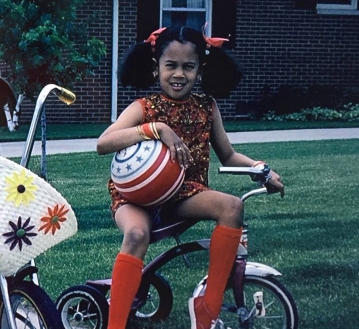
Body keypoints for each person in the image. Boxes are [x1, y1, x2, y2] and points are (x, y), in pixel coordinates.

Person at [96, 25, 285, 329]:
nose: (179, 74)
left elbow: (228, 155)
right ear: (156, 68)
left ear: (200, 70)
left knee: (232, 206)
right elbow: (103, 143)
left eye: (188, 67)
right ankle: (115, 324)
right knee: (136, 235)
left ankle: (206, 307)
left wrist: (261, 169)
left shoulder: (207, 108)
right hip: (136, 196)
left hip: (183, 192)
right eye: (170, 65)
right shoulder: (144, 107)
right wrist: (155, 128)